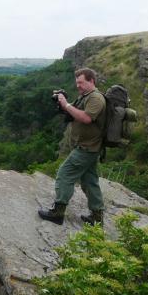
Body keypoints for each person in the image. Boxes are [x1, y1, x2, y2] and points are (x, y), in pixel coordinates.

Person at [38, 68, 106, 226]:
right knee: (90, 182)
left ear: (91, 81)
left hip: (87, 148)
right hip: (88, 147)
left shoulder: (96, 98)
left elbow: (86, 118)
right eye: (77, 83)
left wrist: (66, 104)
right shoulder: (85, 96)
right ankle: (97, 217)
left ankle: (58, 212)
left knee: (64, 175)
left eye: (81, 82)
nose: (78, 86)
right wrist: (63, 103)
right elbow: (73, 114)